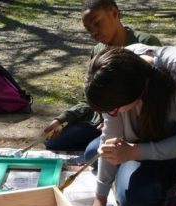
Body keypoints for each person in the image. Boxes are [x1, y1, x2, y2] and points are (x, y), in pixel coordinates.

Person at [81, 45, 176, 206]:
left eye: (114, 110)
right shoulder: (114, 78)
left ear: (138, 92)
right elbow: (110, 136)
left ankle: (172, 180)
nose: (111, 114)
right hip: (146, 143)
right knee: (92, 155)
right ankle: (146, 174)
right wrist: (100, 198)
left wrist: (134, 152)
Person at [44, 0, 161, 152]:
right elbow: (90, 98)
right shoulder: (97, 51)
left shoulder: (145, 43)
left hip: (134, 123)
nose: (94, 33)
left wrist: (115, 120)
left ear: (114, 13)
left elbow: (155, 95)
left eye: (97, 23)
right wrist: (63, 118)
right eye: (88, 29)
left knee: (93, 153)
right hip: (99, 120)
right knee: (52, 142)